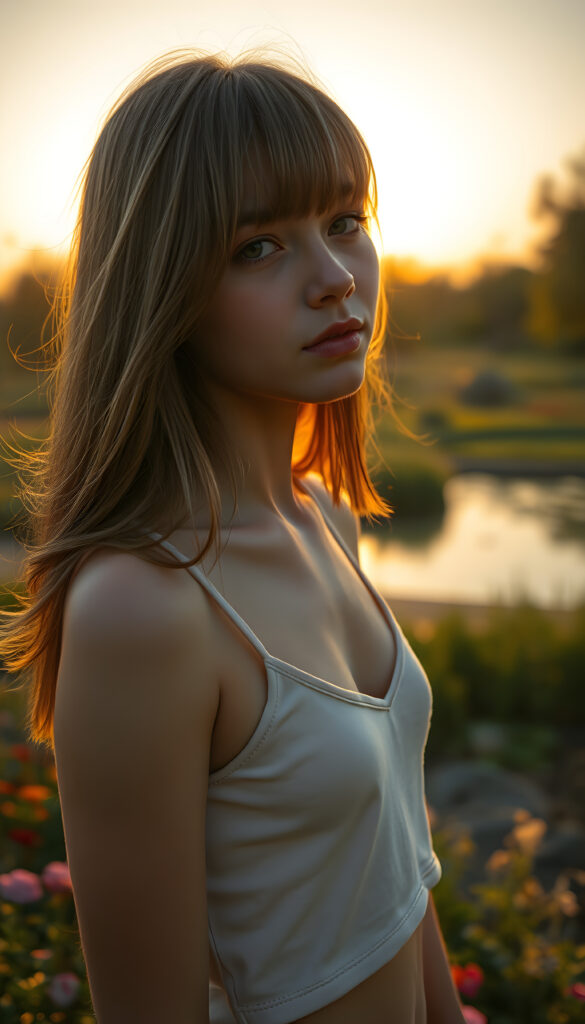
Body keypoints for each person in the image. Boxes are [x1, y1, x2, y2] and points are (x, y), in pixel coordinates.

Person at [0, 49, 467, 1023]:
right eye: (259, 246)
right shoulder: (146, 603)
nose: (337, 278)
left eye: (345, 224)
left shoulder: (327, 519)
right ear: (164, 286)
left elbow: (395, 876)